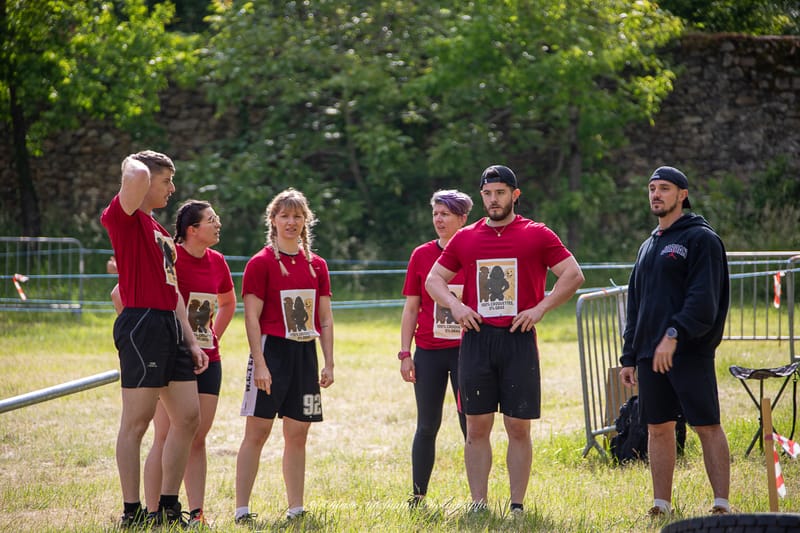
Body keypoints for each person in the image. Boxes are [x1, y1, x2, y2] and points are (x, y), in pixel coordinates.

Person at [425, 165, 584, 514]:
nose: (493, 200)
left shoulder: (537, 234)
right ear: (481, 196)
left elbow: (573, 274)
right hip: (478, 340)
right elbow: (433, 280)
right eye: (487, 194)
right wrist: (456, 306)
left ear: (515, 194)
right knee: (476, 426)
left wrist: (540, 308)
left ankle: (516, 506)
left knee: (517, 426)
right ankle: (479, 504)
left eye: (500, 193)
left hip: (519, 338)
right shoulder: (466, 237)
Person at [100, 150, 208, 528]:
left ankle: (165, 506)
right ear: (146, 181)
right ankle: (132, 512)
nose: (172, 188)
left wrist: (191, 341)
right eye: (166, 181)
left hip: (170, 325)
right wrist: (136, 161)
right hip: (142, 323)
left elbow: (173, 289)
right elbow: (132, 176)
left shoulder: (161, 232)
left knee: (188, 417)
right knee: (137, 422)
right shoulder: (124, 216)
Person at [619, 166, 731, 518]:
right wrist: (629, 355)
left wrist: (674, 334)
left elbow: (703, 300)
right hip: (650, 355)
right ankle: (661, 504)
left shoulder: (701, 239)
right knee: (657, 427)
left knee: (706, 424)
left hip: (689, 351)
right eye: (651, 188)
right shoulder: (648, 245)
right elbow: (635, 303)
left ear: (682, 194)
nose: (656, 194)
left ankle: (722, 504)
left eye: (664, 188)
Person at [233, 188, 335, 525]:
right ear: (273, 220)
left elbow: (325, 318)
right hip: (271, 353)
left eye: (297, 216)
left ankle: (296, 508)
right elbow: (250, 318)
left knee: (298, 433)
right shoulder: (260, 263)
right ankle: (242, 509)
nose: (291, 222)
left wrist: (328, 361)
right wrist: (259, 364)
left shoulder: (317, 265)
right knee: (257, 433)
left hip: (305, 355)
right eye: (284, 216)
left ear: (306, 221)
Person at [140, 200, 236, 527]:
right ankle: (153, 513)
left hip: (208, 359)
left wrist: (211, 339)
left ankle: (196, 513)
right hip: (171, 356)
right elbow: (126, 294)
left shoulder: (218, 262)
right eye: (211, 220)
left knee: (197, 435)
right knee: (165, 435)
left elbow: (227, 302)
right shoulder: (171, 258)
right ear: (192, 230)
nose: (218, 223)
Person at [400, 190, 472, 508]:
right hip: (428, 352)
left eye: (446, 214)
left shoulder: (475, 251)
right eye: (435, 213)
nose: (439, 219)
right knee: (427, 424)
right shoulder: (421, 255)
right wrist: (405, 353)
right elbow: (411, 308)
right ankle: (417, 496)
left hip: (466, 352)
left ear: (462, 218)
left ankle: (478, 498)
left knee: (470, 424)